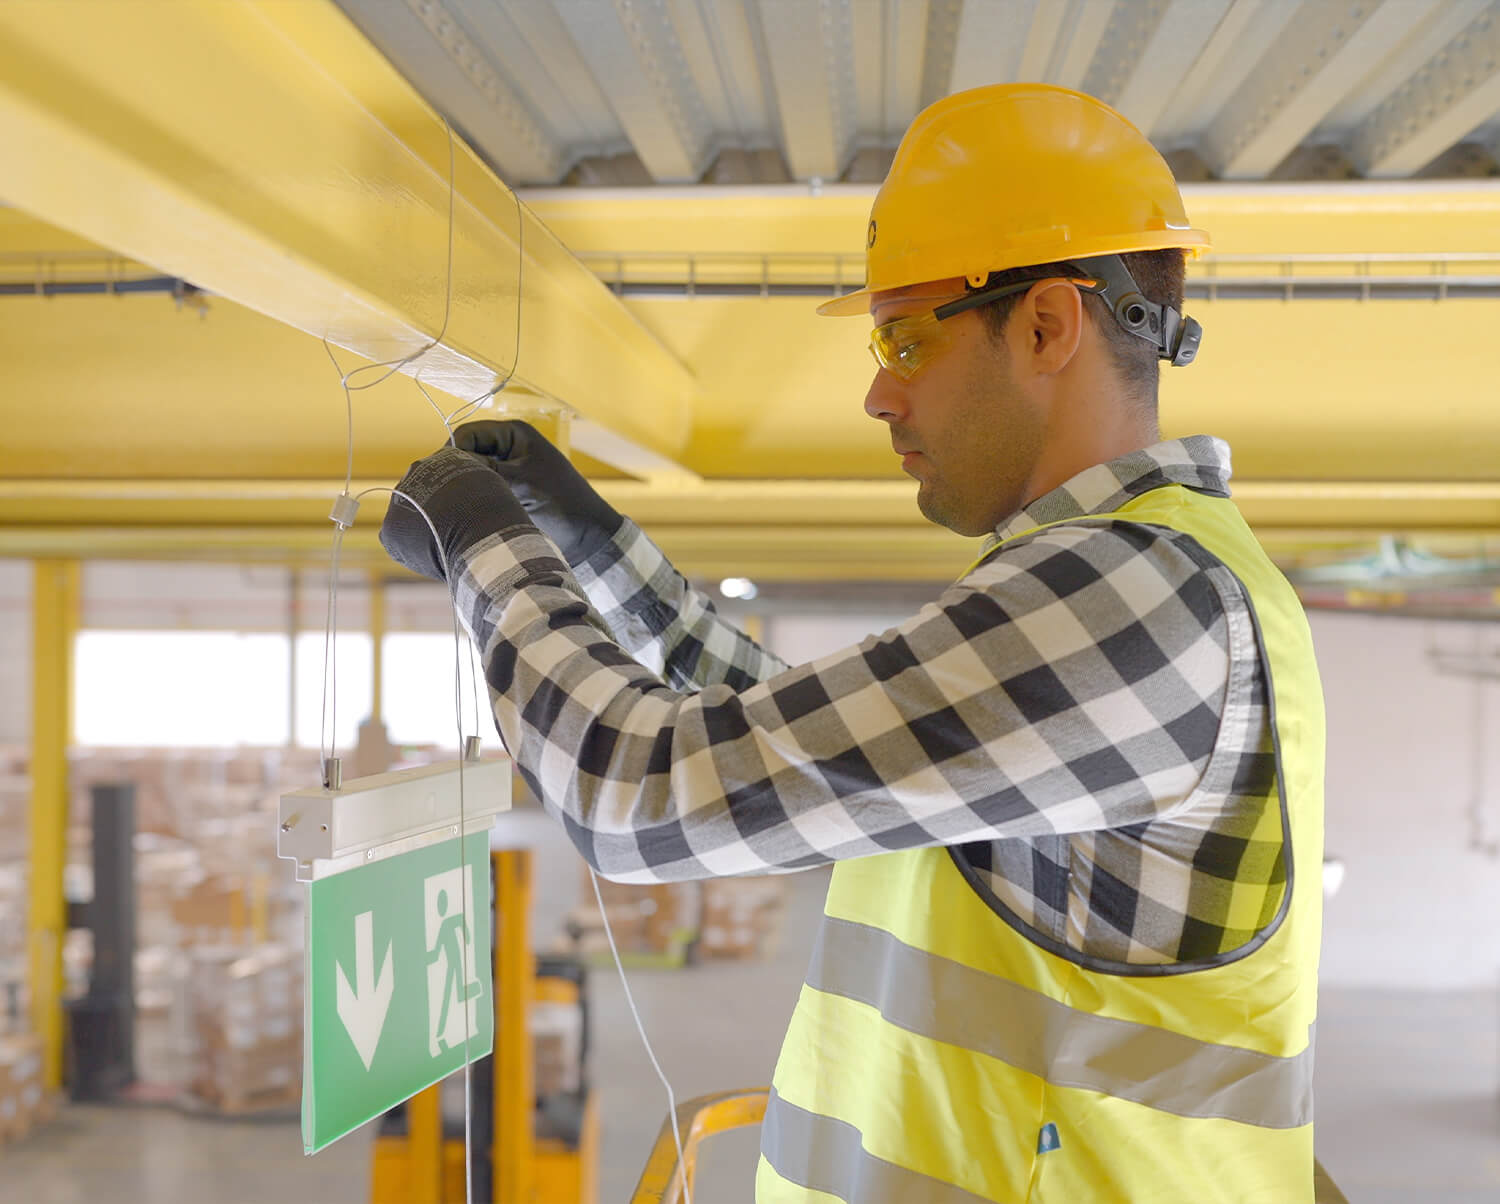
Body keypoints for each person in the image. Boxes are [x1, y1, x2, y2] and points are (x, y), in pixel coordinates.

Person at [380, 83, 1325, 1204]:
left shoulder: (1137, 600)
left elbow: (633, 798)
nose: (879, 393)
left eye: (906, 339)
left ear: (1046, 326)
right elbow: (804, 747)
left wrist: (481, 544)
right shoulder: (1146, 583)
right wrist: (591, 543)